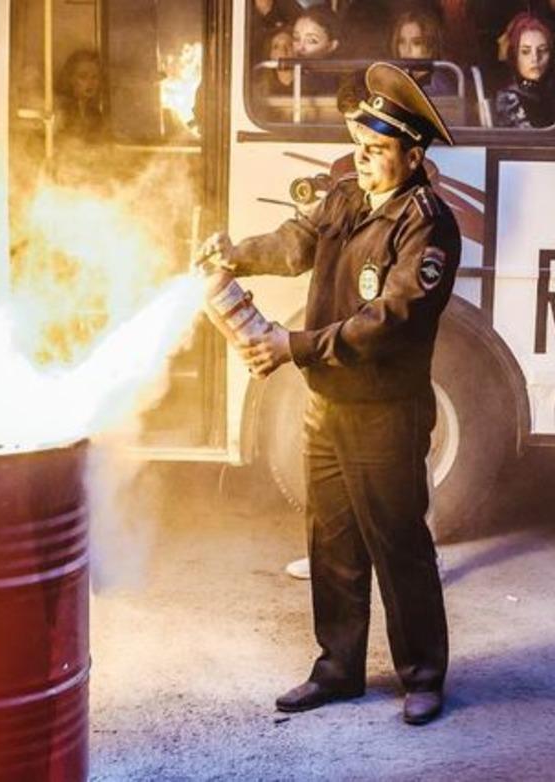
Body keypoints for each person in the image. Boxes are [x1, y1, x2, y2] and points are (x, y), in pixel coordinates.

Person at [195, 62, 459, 726]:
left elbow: (391, 319)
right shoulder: (345, 195)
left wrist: (294, 346)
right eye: (358, 147)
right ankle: (337, 669)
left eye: (377, 151)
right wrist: (235, 253)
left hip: (385, 414)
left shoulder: (427, 225)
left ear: (413, 153)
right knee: (331, 542)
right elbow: (296, 242)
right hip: (328, 406)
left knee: (398, 544)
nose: (362, 160)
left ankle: (423, 675)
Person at [494, 12, 555, 128]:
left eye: (543, 50)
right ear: (515, 56)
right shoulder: (509, 100)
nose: (535, 59)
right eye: (525, 52)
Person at [390, 8, 459, 95]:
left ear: (430, 46)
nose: (407, 50)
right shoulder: (399, 81)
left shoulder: (438, 86)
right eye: (402, 42)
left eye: (416, 43)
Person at [53, 49, 106, 145]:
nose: (90, 83)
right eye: (83, 77)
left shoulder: (95, 114)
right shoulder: (59, 108)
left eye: (94, 77)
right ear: (70, 79)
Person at [291, 7, 344, 93]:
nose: (300, 47)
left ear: (332, 45)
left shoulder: (338, 85)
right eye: (296, 38)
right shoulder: (291, 74)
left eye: (311, 41)